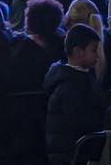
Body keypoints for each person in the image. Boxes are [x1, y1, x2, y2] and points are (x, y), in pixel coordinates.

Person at [43, 23, 107, 165]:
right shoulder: (71, 85)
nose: (97, 56)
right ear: (78, 51)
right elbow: (82, 120)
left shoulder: (79, 78)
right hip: (72, 152)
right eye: (94, 50)